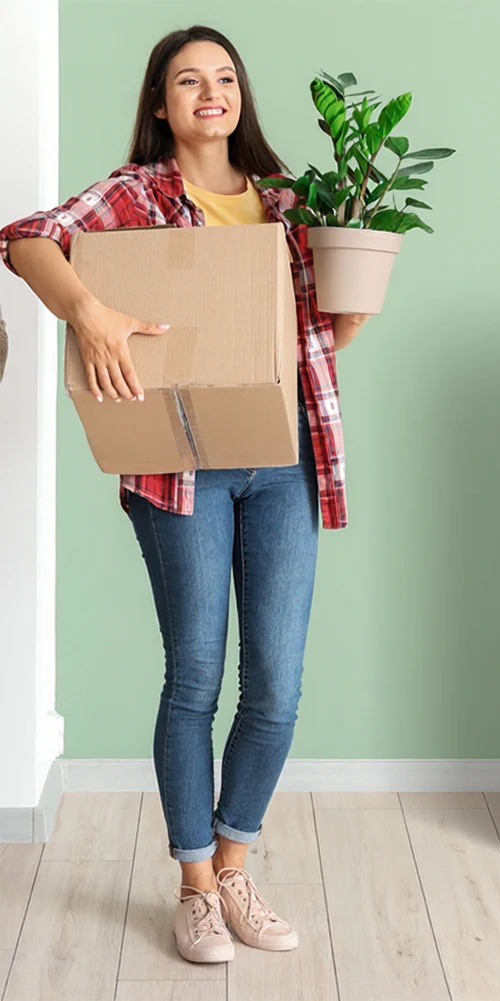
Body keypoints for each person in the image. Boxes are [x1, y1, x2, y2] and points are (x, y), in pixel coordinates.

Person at [0, 25, 368, 964]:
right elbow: (26, 240)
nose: (211, 91)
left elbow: (303, 349)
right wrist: (91, 312)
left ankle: (238, 864)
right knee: (195, 674)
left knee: (277, 686)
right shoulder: (141, 192)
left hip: (283, 460)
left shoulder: (291, 205)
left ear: (241, 96)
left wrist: (350, 314)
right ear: (161, 104)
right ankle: (195, 884)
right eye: (187, 80)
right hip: (179, 465)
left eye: (225, 76)